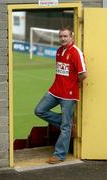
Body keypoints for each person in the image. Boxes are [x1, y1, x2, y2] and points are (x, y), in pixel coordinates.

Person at [34, 26, 87, 164]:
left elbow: (83, 74)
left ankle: (59, 155)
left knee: (65, 126)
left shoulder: (76, 53)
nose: (62, 38)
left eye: (65, 36)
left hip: (68, 96)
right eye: (61, 36)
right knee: (39, 110)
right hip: (54, 91)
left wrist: (73, 84)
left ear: (71, 37)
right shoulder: (59, 51)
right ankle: (68, 125)